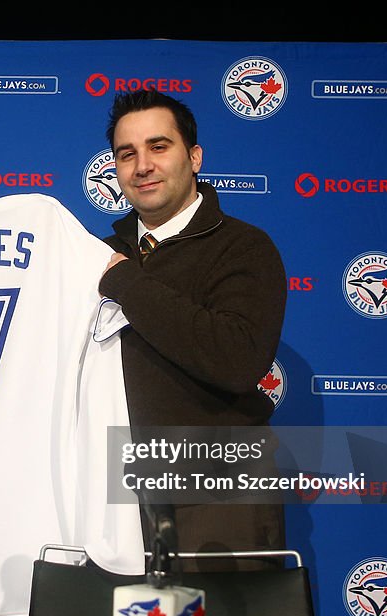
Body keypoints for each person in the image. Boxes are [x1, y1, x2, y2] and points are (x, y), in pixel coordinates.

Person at [98, 89, 288, 572]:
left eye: (158, 147)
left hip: (219, 499)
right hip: (114, 499)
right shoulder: (95, 253)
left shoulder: (244, 247)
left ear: (194, 156)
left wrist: (126, 283)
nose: (143, 165)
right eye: (127, 154)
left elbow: (238, 361)